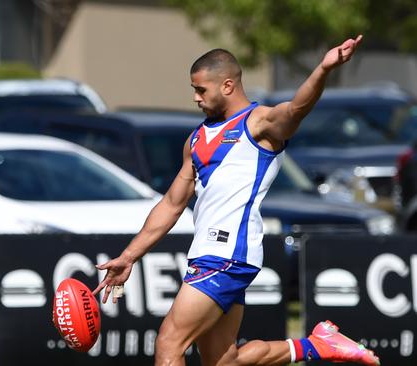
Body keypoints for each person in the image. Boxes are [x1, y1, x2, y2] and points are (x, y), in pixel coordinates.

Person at [93, 36, 380, 366]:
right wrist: (129, 256)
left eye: (201, 90)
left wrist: (323, 69)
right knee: (223, 360)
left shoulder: (258, 123)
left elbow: (297, 108)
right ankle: (317, 346)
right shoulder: (197, 138)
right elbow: (171, 205)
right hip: (207, 253)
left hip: (228, 252)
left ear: (227, 85)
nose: (195, 97)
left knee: (169, 341)